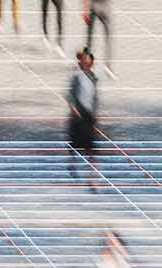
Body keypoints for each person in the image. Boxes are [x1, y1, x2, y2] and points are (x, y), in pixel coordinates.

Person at [68, 48, 98, 188]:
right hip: (78, 115)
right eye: (84, 61)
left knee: (91, 150)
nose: (86, 63)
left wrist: (95, 114)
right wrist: (74, 109)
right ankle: (73, 164)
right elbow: (70, 95)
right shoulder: (76, 75)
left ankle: (91, 179)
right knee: (75, 146)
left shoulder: (93, 77)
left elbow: (95, 97)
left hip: (89, 116)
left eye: (88, 61)